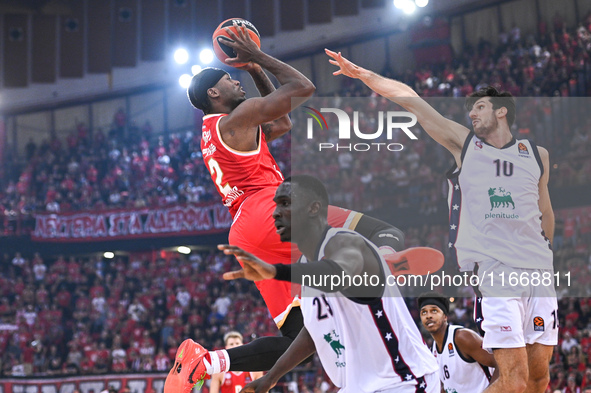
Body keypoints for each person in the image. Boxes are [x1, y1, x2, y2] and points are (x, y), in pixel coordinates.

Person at [165, 23, 412, 393]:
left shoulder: (221, 128)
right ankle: (385, 267)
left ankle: (208, 361)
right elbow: (303, 89)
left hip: (246, 230)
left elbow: (282, 122)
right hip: (271, 209)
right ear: (214, 92)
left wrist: (254, 70)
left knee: (302, 336)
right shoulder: (237, 118)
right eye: (232, 81)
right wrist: (258, 56)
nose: (239, 84)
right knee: (381, 231)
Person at [325, 50, 558, 393]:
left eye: (479, 107)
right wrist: (364, 75)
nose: (472, 113)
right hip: (496, 272)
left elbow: (546, 210)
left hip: (537, 273)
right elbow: (415, 103)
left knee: (539, 379)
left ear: (501, 110)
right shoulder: (467, 147)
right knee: (515, 382)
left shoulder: (537, 156)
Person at [221, 175, 440, 392]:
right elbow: (311, 334)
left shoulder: (345, 242)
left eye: (285, 205)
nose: (276, 212)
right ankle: (383, 260)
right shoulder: (307, 263)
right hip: (363, 385)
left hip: (405, 380)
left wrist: (276, 271)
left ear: (313, 209)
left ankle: (384, 257)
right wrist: (270, 378)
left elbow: (341, 270)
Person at [418, 291, 496, 393]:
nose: (428, 316)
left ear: (445, 316)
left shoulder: (462, 337)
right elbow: (447, 386)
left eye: (434, 311)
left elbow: (501, 365)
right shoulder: (433, 349)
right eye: (424, 312)